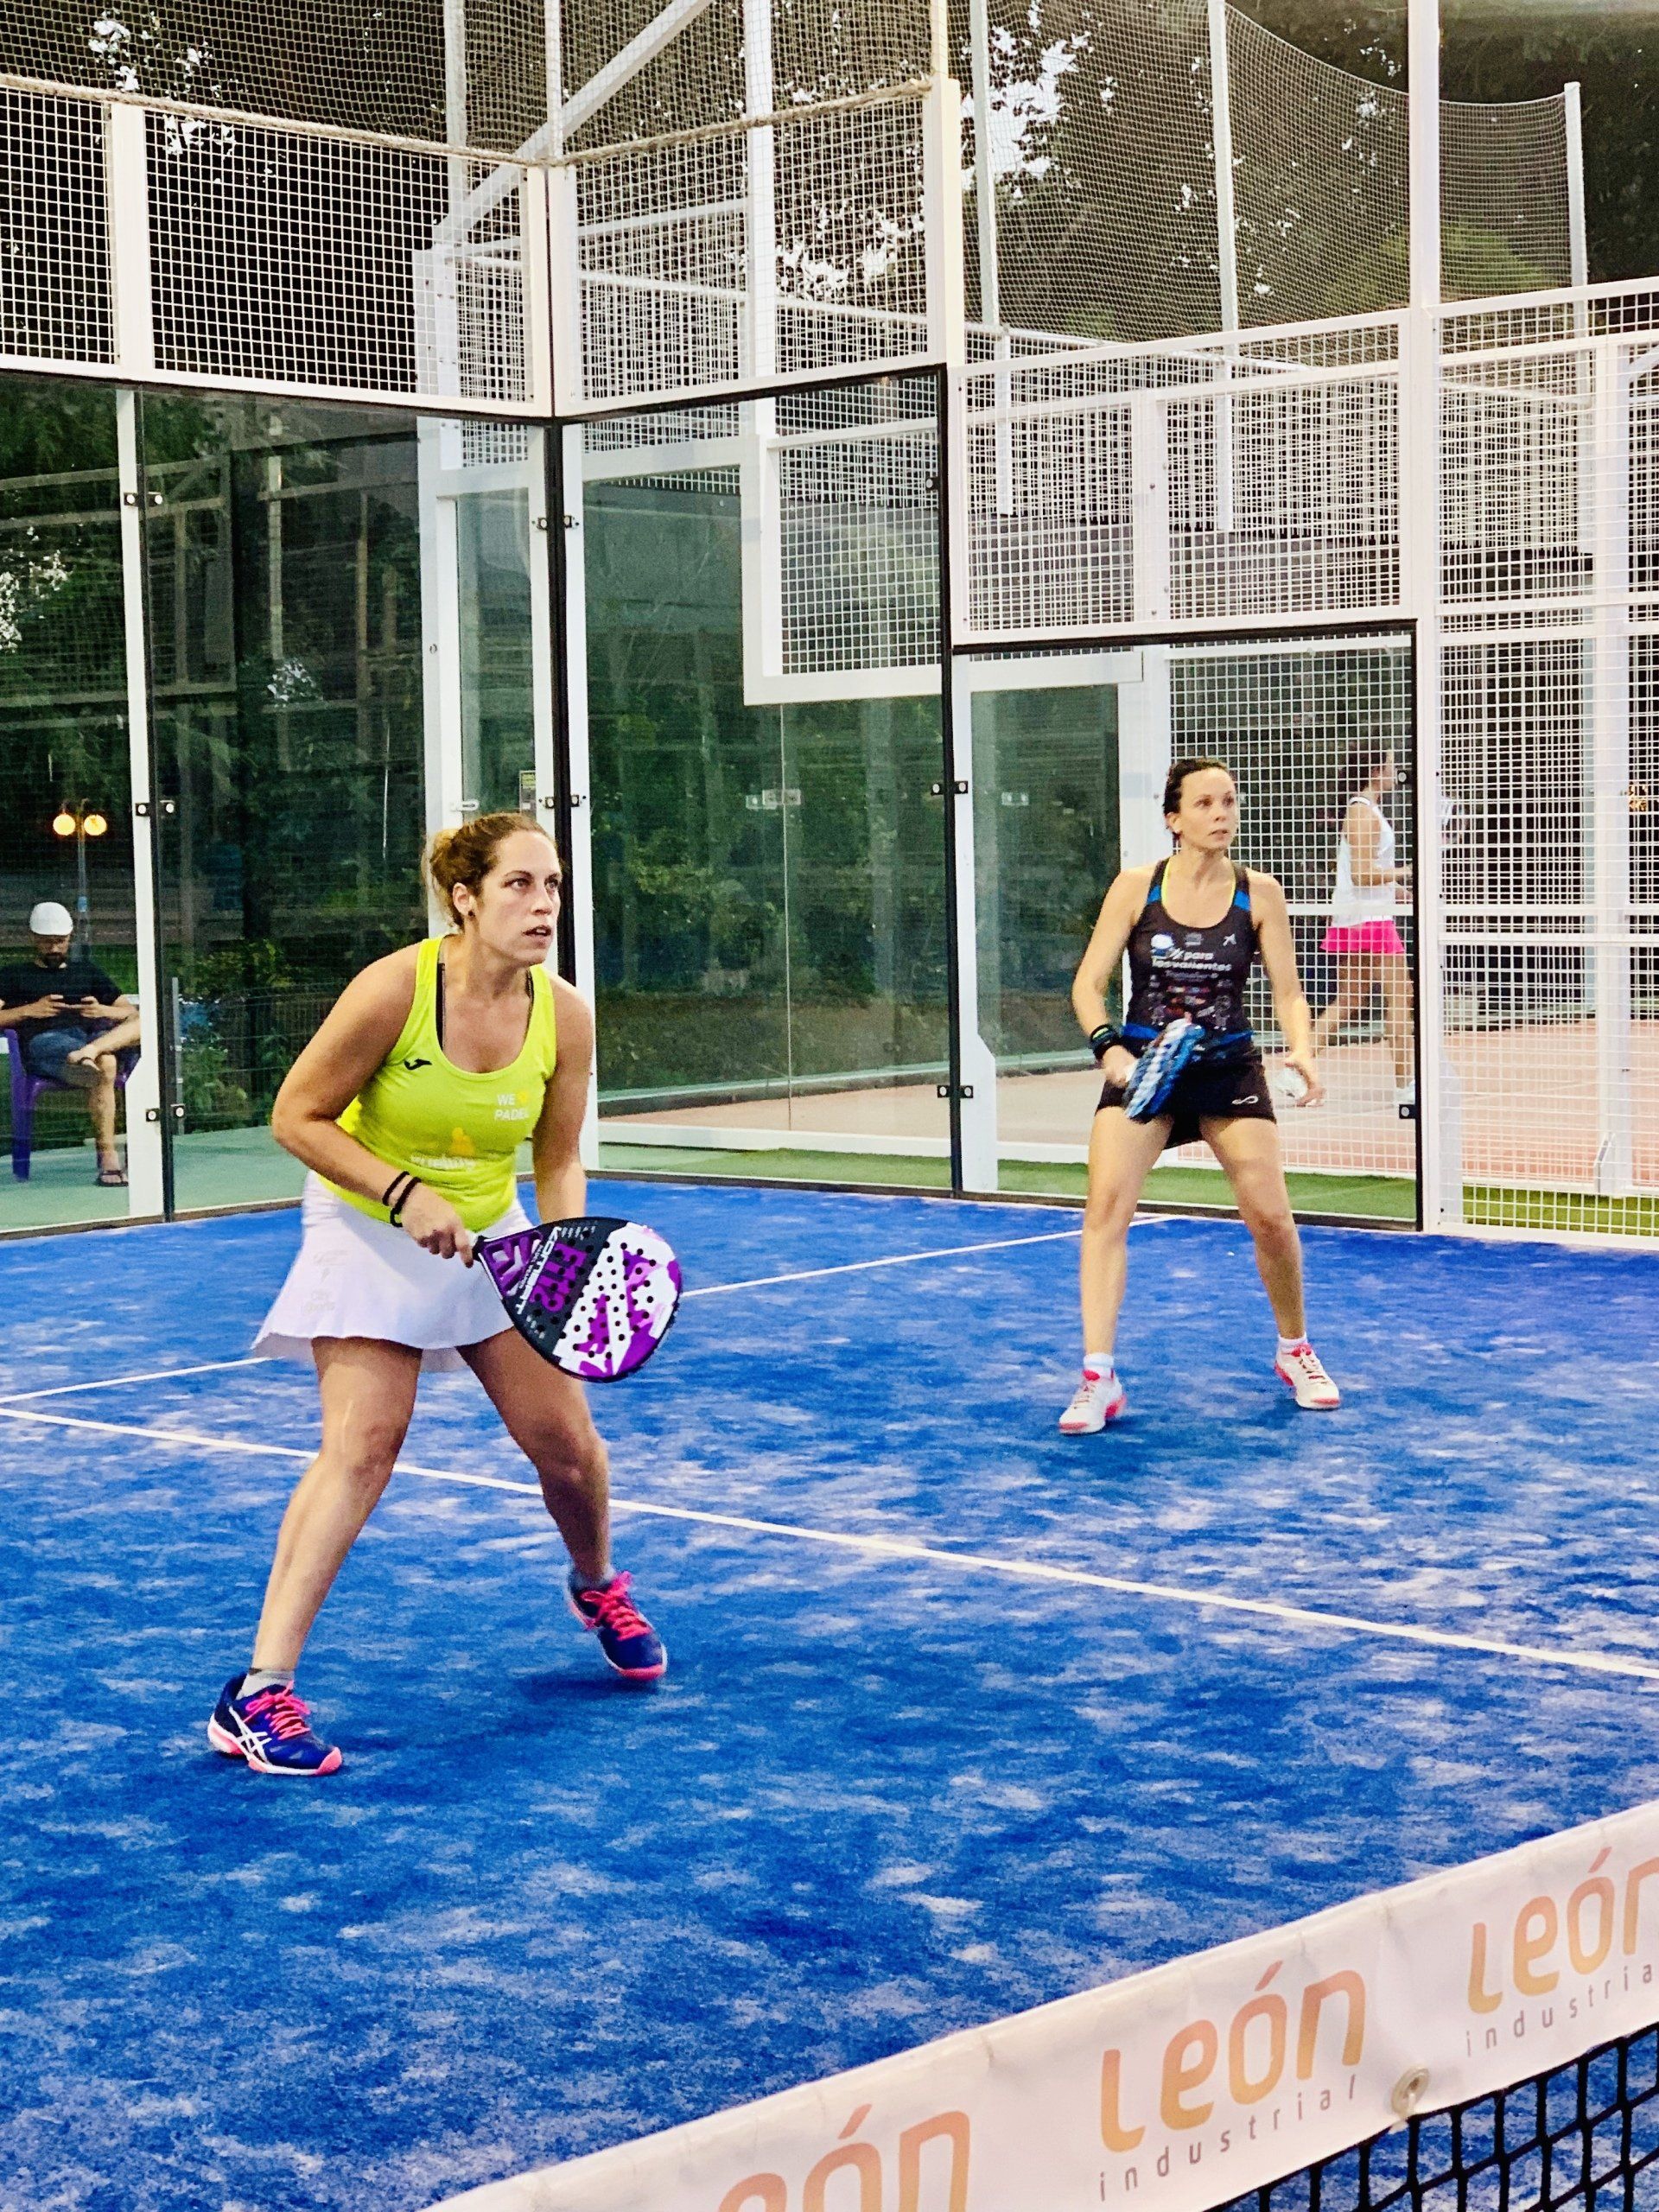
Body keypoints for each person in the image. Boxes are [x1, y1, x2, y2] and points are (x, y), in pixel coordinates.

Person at [207, 812, 665, 1778]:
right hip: (366, 1222)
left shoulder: (565, 1015)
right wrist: (404, 1193)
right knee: (364, 1445)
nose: (544, 905)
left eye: (553, 885)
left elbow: (556, 1157)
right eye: (519, 885)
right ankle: (257, 1693)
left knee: (568, 1449)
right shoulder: (395, 989)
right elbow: (296, 1116)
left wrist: (563, 1255)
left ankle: (596, 1584)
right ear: (465, 898)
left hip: (491, 1229)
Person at [1061, 757, 1339, 1433]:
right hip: (1145, 1069)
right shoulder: (1136, 888)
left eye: (1229, 802)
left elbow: (1289, 992)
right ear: (1174, 818)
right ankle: (1098, 1377)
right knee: (1105, 1209)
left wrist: (1302, 1048)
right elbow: (1087, 985)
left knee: (1270, 1216)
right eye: (1206, 804)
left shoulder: (1258, 894)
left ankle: (1295, 1349)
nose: (1222, 814)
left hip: (1227, 1069)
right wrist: (1110, 1050)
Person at [0, 900, 139, 1185]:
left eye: (60, 942)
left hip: (87, 1041)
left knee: (145, 1024)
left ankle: (89, 1053)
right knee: (107, 1062)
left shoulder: (86, 971)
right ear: (33, 938)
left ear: (70, 938)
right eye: (47, 942)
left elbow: (129, 1013)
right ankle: (109, 1157)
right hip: (45, 1045)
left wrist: (102, 1011)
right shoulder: (13, 975)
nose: (54, 948)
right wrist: (29, 1010)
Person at [1312, 741, 1414, 1109]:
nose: (1394, 771)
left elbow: (1368, 872)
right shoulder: (1362, 813)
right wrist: (1407, 870)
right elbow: (1361, 874)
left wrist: (1397, 889)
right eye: (1389, 764)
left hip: (1361, 916)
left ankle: (1294, 1071)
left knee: (1350, 999)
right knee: (1400, 998)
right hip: (1368, 920)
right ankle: (1407, 1087)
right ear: (1375, 771)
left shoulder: (1368, 811)